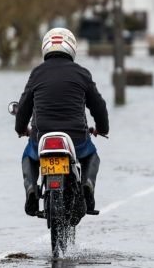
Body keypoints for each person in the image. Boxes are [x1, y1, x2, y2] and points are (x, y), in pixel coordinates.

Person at [15, 28, 109, 217]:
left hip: (41, 136)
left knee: (28, 156)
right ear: (71, 47)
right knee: (92, 156)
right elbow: (98, 106)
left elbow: (24, 105)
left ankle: (31, 189)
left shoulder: (37, 73)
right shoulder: (82, 73)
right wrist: (102, 128)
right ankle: (87, 185)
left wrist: (20, 128)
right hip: (76, 139)